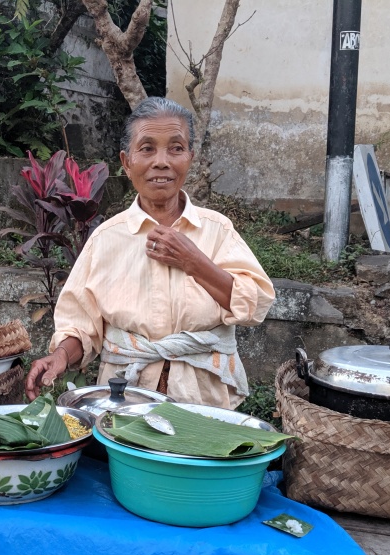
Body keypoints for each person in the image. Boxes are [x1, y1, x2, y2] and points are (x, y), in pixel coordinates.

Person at [25, 97, 275, 409]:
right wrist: (60, 356)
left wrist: (193, 261)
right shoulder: (106, 239)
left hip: (203, 400)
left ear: (190, 158)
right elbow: (81, 324)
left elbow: (256, 305)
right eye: (146, 148)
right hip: (123, 398)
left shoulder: (217, 230)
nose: (161, 161)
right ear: (126, 162)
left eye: (175, 148)